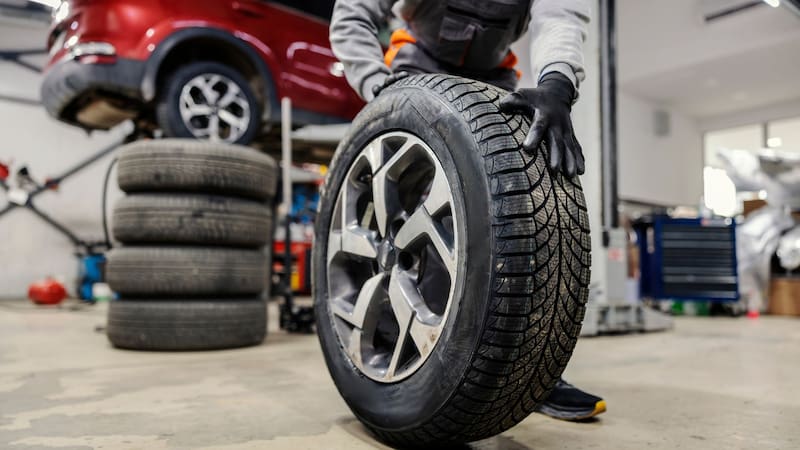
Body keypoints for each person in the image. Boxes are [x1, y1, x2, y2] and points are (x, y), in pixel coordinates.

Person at [329, 0, 604, 421]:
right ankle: (403, 355)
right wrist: (374, 82)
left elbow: (560, 14)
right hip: (415, 65)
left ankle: (527, 370)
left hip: (493, 78)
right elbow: (352, 13)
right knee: (424, 219)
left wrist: (557, 84)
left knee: (525, 218)